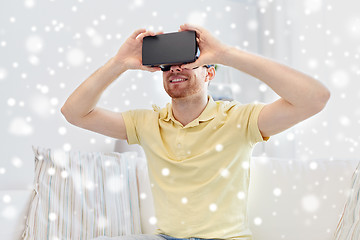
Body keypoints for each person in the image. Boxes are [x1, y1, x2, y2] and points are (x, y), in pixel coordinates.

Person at [61, 23, 330, 240]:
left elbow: (315, 98)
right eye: (168, 64)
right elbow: (74, 113)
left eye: (188, 61)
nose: (176, 68)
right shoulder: (146, 123)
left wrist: (226, 54)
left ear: (209, 74)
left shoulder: (239, 119)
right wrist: (119, 62)